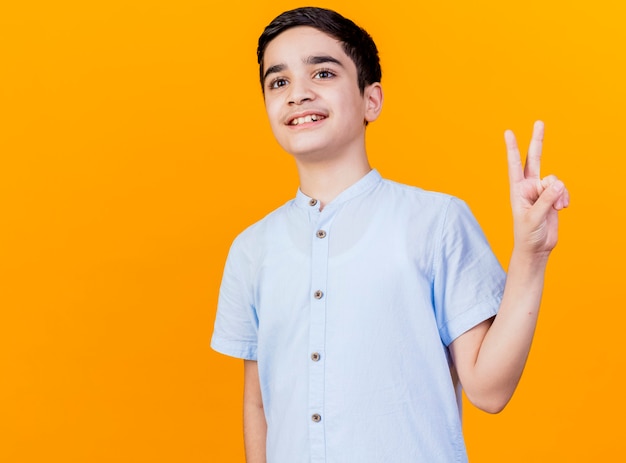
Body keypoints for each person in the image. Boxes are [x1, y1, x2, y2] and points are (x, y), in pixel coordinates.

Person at [211, 6, 569, 463]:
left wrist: (530, 254)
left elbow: (489, 390)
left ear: (371, 100)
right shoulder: (251, 250)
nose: (298, 93)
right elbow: (259, 402)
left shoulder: (435, 221)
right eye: (278, 81)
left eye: (322, 72)